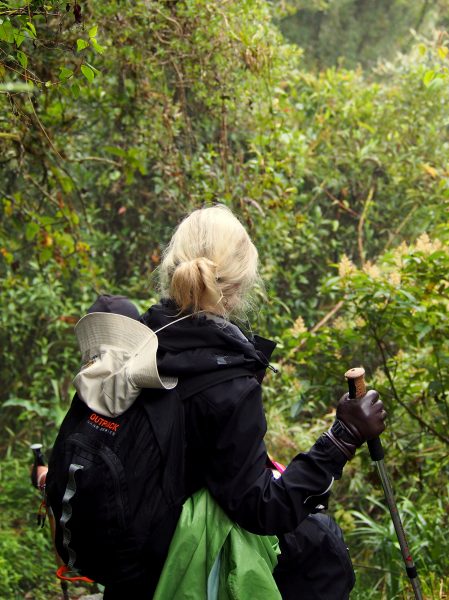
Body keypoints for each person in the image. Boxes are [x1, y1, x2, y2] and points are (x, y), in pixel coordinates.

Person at [124, 204, 385, 599]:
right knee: (322, 547)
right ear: (242, 284)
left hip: (135, 562)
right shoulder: (226, 382)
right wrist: (342, 438)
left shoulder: (137, 343)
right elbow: (262, 509)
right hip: (184, 570)